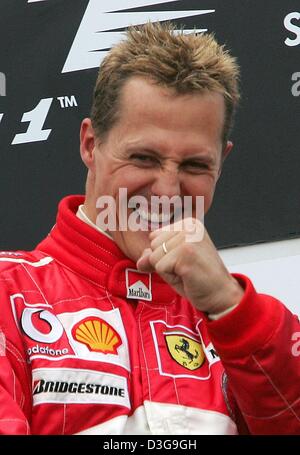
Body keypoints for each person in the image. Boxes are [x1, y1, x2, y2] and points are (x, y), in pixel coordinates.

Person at [0, 22, 299, 436]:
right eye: (143, 158)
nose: (167, 190)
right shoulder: (9, 294)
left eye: (195, 165)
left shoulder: (247, 325)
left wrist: (233, 310)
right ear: (90, 144)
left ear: (221, 163)